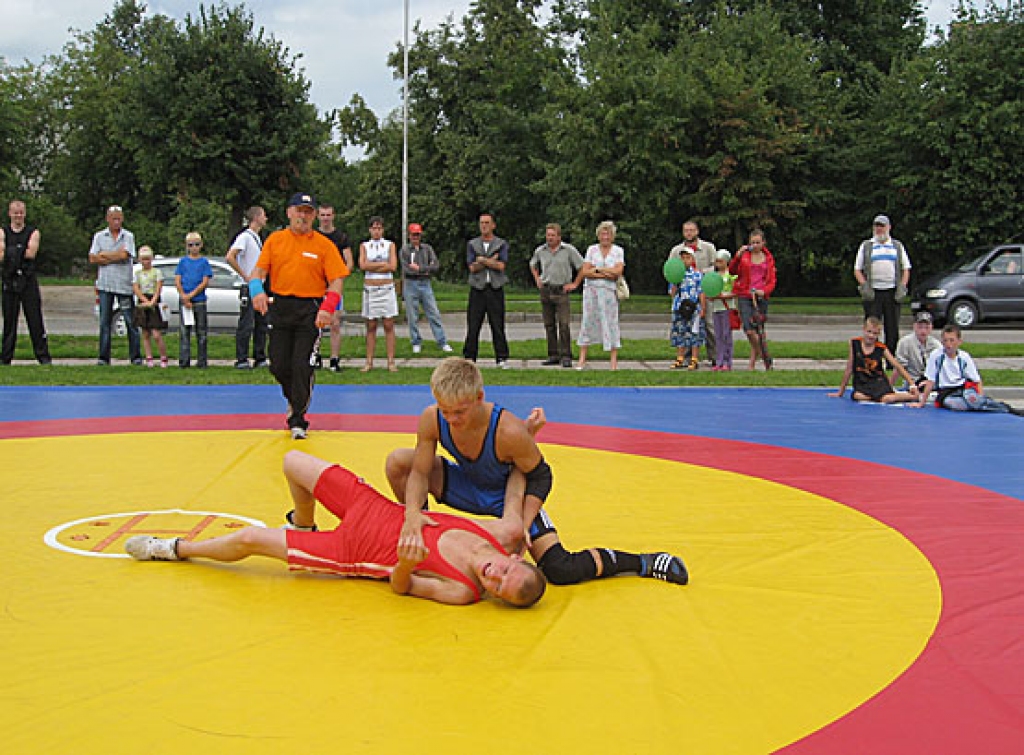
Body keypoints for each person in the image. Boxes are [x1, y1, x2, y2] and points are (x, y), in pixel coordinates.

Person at [385, 357, 689, 587]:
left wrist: (520, 523)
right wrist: (412, 513)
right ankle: (423, 542)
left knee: (560, 569)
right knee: (399, 462)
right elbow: (420, 473)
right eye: (445, 410)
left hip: (508, 496)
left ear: (479, 398)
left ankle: (644, 562)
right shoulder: (432, 418)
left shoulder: (509, 431)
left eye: (459, 412)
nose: (451, 419)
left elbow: (541, 475)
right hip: (466, 484)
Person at [124, 450, 547, 607]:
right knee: (293, 462)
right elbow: (517, 479)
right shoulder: (502, 535)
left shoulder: (460, 591)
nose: (495, 578)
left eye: (498, 589)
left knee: (252, 539)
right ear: (513, 558)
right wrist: (523, 443)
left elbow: (402, 588)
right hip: (373, 506)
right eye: (506, 573)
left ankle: (174, 549)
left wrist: (403, 563)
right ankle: (302, 525)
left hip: (351, 548)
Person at [250, 192, 350, 440]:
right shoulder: (275, 240)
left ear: (315, 216)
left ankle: (298, 418)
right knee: (279, 364)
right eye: (299, 210)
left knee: (302, 365)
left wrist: (328, 307)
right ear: (289, 212)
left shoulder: (323, 245)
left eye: (308, 212)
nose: (303, 216)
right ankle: (295, 397)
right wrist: (257, 292)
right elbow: (257, 272)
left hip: (310, 310)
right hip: (281, 307)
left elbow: (337, 280)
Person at [913, 324, 1024, 416]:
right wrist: (922, 402)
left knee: (974, 400)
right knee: (956, 405)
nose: (948, 344)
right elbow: (930, 381)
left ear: (959, 342)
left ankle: (1006, 409)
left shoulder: (964, 357)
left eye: (952, 340)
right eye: (945, 341)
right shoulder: (936, 356)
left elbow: (976, 380)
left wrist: (980, 396)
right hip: (946, 393)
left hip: (963, 389)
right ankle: (989, 406)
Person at [89, 205, 141, 366]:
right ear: (108, 219)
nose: (116, 222)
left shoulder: (128, 236)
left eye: (119, 219)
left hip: (123, 285)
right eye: (114, 219)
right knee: (105, 322)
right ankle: (104, 357)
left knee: (130, 321)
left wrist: (105, 255)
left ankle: (135, 356)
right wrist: (114, 256)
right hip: (105, 285)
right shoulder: (99, 236)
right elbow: (92, 258)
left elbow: (125, 255)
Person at [1, 199, 51, 365]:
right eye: (15, 212)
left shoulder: (33, 232)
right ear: (9, 213)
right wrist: (16, 251)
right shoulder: (3, 231)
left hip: (27, 280)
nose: (18, 216)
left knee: (35, 319)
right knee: (9, 321)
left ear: (25, 214)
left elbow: (31, 253)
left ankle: (43, 357)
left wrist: (12, 251)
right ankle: (6, 358)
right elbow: (1, 255)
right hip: (9, 280)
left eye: (21, 212)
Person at [854, 214, 911, 353]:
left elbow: (906, 268)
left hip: (892, 292)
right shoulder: (867, 245)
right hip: (873, 293)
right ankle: (872, 357)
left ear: (889, 227)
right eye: (877, 226)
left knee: (892, 328)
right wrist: (865, 287)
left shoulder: (897, 246)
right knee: (872, 327)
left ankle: (891, 359)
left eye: (882, 226)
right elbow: (857, 269)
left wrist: (902, 287)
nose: (879, 229)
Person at [529, 223, 584, 368]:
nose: (550, 238)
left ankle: (566, 355)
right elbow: (533, 264)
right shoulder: (541, 250)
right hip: (546, 289)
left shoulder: (568, 250)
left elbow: (582, 267)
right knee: (549, 324)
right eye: (548, 235)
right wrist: (537, 278)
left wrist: (575, 284)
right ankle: (553, 354)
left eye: (553, 235)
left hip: (562, 290)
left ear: (559, 236)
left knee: (564, 324)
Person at [829, 317, 920, 404]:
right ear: (864, 330)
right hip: (862, 382)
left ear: (879, 334)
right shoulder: (855, 344)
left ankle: (911, 396)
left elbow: (897, 365)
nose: (871, 336)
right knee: (857, 396)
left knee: (887, 399)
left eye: (875, 333)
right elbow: (849, 369)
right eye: (869, 332)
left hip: (878, 382)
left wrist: (911, 383)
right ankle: (875, 398)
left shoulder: (881, 348)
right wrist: (840, 392)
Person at [463, 212, 510, 368]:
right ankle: (470, 356)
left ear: (493, 225)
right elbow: (472, 267)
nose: (484, 226)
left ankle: (501, 358)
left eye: (487, 223)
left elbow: (501, 266)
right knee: (473, 324)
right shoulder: (472, 244)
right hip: (477, 288)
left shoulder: (501, 244)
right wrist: (490, 261)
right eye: (482, 223)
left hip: (495, 288)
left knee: (497, 324)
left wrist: (482, 260)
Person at [577, 220, 624, 371]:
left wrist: (597, 270)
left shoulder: (618, 251)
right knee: (587, 322)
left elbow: (617, 273)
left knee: (611, 323)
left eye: (608, 234)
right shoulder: (592, 250)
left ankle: (613, 362)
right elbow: (585, 271)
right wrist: (604, 271)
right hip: (591, 291)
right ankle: (582, 359)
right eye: (603, 234)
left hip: (609, 292)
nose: (605, 237)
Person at [225, 206, 269, 370]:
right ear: (256, 217)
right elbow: (230, 256)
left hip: (260, 286)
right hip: (249, 285)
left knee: (261, 322)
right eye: (263, 216)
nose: (266, 219)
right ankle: (241, 358)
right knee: (247, 322)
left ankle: (260, 356)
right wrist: (245, 275)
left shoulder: (257, 238)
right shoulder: (245, 237)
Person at [668, 220, 717, 364]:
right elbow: (671, 271)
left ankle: (715, 356)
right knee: (685, 326)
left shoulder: (708, 248)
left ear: (697, 231)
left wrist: (701, 273)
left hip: (704, 291)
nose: (689, 233)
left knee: (709, 324)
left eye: (692, 230)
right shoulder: (676, 251)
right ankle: (687, 357)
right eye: (686, 230)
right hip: (684, 295)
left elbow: (715, 267)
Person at [400, 222, 452, 356]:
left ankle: (442, 341)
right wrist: (425, 269)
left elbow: (435, 266)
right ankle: (416, 341)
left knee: (434, 313)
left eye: (417, 235)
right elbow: (407, 270)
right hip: (410, 284)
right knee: (412, 315)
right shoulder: (405, 250)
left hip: (425, 284)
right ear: (409, 236)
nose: (415, 237)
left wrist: (421, 269)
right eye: (413, 235)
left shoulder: (427, 249)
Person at [729, 229, 776, 371]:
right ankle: (765, 357)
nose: (755, 245)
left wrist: (764, 291)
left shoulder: (768, 259)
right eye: (752, 242)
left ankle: (752, 363)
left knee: (758, 330)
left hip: (761, 296)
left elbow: (772, 280)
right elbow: (732, 271)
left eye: (758, 242)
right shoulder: (744, 256)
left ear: (763, 243)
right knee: (749, 331)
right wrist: (737, 257)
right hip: (745, 294)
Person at [316, 204, 354, 372]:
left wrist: (337, 278)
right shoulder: (313, 236)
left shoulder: (341, 237)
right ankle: (315, 356)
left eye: (328, 215)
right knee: (315, 323)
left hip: (333, 287)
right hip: (315, 286)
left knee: (335, 323)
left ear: (333, 216)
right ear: (318, 216)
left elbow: (349, 262)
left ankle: (334, 359)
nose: (325, 218)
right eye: (322, 215)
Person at [359, 216, 399, 372]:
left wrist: (375, 266)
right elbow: (363, 265)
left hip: (386, 287)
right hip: (370, 288)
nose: (376, 231)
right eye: (374, 228)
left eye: (379, 228)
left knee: (389, 324)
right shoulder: (365, 246)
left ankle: (391, 361)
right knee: (371, 325)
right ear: (370, 230)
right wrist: (382, 264)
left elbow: (393, 266)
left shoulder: (390, 245)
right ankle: (369, 361)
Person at [174, 232, 213, 369]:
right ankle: (184, 361)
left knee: (201, 332)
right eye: (191, 245)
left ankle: (202, 361)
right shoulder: (183, 262)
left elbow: (204, 282)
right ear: (187, 246)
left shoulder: (204, 262)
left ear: (201, 245)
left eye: (197, 244)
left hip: (199, 300)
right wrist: (184, 296)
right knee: (185, 332)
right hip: (185, 301)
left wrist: (191, 295)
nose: (194, 247)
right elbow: (178, 280)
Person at [669, 248, 705, 371]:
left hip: (693, 307)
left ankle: (694, 359)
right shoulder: (676, 275)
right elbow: (672, 293)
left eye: (688, 257)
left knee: (694, 333)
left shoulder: (697, 275)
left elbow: (701, 292)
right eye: (683, 258)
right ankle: (680, 357)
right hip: (679, 306)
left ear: (693, 259)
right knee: (680, 332)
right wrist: (674, 283)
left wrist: (703, 308)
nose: (685, 260)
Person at [132, 246, 168, 368]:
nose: (146, 262)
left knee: (156, 333)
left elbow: (158, 287)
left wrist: (153, 301)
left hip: (154, 300)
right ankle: (149, 357)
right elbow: (136, 288)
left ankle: (163, 356)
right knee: (145, 333)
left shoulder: (156, 272)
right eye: (143, 259)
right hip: (143, 301)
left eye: (148, 259)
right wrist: (144, 300)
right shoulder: (137, 273)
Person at [895, 311, 941, 390]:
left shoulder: (936, 345)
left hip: (930, 382)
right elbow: (899, 367)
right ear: (914, 327)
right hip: (912, 381)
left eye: (926, 327)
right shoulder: (905, 342)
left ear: (931, 328)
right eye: (920, 327)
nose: (923, 331)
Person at [708, 250, 737, 371]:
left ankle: (727, 361)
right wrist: (711, 296)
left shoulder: (731, 275)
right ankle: (719, 360)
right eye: (716, 261)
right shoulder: (714, 276)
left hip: (727, 307)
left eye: (721, 261)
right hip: (716, 308)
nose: (718, 264)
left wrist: (723, 296)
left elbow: (735, 291)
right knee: (718, 335)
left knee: (726, 335)